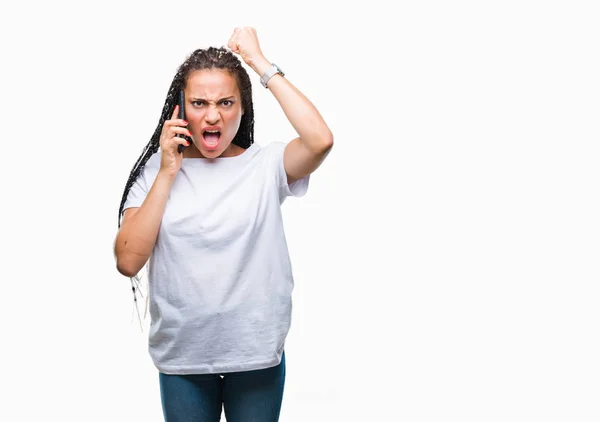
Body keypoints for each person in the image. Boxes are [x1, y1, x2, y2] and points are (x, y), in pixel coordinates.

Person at [113, 27, 333, 421]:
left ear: (242, 107)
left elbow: (319, 141)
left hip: (255, 353)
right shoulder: (156, 172)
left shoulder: (265, 165)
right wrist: (167, 172)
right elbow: (128, 260)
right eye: (199, 103)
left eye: (226, 102)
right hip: (183, 359)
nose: (212, 115)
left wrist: (259, 63)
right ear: (180, 109)